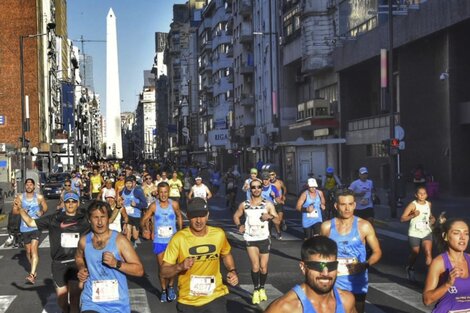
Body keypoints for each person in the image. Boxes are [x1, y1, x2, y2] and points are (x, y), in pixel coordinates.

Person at [161, 197, 239, 312]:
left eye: (202, 215)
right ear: (187, 216)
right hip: (188, 301)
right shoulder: (179, 238)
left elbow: (226, 254)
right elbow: (163, 272)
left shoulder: (218, 234)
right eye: (194, 216)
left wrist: (232, 271)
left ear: (207, 215)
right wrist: (180, 266)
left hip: (215, 296)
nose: (199, 220)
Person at [17, 191, 89, 313]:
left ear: (78, 204)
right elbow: (30, 223)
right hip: (59, 264)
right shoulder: (54, 219)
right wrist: (20, 209)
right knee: (62, 302)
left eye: (73, 201)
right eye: (68, 202)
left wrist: (118, 208)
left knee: (75, 299)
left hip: (78, 262)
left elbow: (104, 221)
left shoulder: (85, 219)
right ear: (64, 203)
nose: (70, 204)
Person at [76, 200, 144, 312]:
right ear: (89, 220)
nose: (99, 222)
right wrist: (81, 268)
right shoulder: (84, 241)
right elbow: (78, 257)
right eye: (95, 217)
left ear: (108, 219)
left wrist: (116, 263)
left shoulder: (120, 241)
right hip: (91, 301)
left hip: (117, 304)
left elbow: (139, 270)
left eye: (103, 217)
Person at [320, 189, 382, 313]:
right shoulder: (326, 227)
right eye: (343, 205)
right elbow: (321, 254)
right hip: (334, 280)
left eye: (350, 204)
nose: (347, 208)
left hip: (357, 281)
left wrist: (365, 264)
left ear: (354, 205)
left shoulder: (364, 226)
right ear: (336, 206)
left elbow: (377, 252)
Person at [265, 236, 357, 313]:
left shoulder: (347, 300)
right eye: (318, 266)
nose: (325, 273)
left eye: (331, 266)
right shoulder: (285, 308)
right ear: (303, 267)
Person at [233, 178, 278, 305]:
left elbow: (277, 219)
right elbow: (236, 216)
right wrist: (239, 226)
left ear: (262, 188)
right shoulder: (244, 204)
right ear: (250, 189)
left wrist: (269, 216)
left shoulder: (267, 204)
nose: (256, 189)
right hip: (250, 238)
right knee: (255, 266)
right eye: (254, 187)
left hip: (264, 238)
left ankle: (262, 288)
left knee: (263, 268)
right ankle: (256, 289)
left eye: (259, 187)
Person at [141, 182, 183, 303]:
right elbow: (144, 219)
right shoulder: (154, 206)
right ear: (157, 193)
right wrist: (145, 229)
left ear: (168, 192)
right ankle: (163, 290)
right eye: (161, 192)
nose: (163, 195)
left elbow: (179, 216)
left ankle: (170, 287)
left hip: (172, 241)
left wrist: (180, 231)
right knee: (163, 268)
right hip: (159, 241)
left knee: (172, 267)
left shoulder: (174, 204)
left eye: (165, 192)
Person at [423, 218, 470, 312]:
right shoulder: (439, 263)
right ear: (445, 236)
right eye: (456, 233)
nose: (463, 237)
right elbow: (427, 300)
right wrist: (447, 284)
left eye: (466, 233)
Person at [12, 178, 49, 284]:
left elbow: (45, 207)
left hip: (36, 226)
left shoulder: (39, 197)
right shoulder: (19, 197)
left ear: (34, 186)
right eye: (27, 185)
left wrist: (41, 212)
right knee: (28, 252)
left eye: (30, 184)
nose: (29, 186)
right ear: (25, 186)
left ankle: (32, 274)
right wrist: (20, 210)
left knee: (34, 250)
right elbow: (14, 212)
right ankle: (33, 268)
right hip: (24, 227)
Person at [400, 186, 435, 281]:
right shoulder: (412, 205)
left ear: (427, 195)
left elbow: (430, 216)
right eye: (420, 193)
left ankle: (431, 277)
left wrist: (432, 219)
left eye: (424, 193)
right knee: (415, 253)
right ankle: (410, 267)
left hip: (426, 231)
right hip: (414, 232)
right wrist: (413, 215)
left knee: (428, 253)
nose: (422, 195)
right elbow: (402, 218)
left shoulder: (429, 204)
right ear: (416, 195)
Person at [118, 175, 147, 246]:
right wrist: (120, 201)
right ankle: (128, 250)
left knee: (135, 236)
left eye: (130, 183)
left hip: (136, 216)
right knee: (127, 235)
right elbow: (119, 198)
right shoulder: (123, 191)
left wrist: (136, 205)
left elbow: (145, 204)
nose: (129, 185)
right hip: (126, 216)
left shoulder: (137, 191)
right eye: (127, 183)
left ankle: (134, 237)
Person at [269, 170, 288, 234]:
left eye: (272, 174)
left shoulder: (279, 182)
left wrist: (283, 195)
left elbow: (284, 188)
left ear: (275, 175)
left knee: (279, 217)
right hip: (271, 202)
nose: (271, 176)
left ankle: (282, 221)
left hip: (279, 201)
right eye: (270, 175)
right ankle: (277, 231)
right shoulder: (268, 182)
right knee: (274, 216)